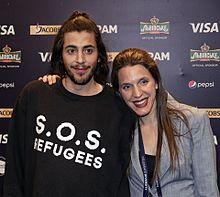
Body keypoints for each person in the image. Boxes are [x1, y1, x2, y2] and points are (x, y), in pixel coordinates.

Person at [3, 11, 135, 197]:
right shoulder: (35, 95)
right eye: (71, 50)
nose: (80, 60)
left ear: (99, 55)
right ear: (61, 55)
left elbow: (121, 180)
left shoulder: (119, 107)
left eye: (88, 50)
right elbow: (14, 172)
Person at [111, 48, 219, 197]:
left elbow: (208, 191)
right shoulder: (121, 127)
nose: (137, 94)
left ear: (156, 82)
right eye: (127, 87)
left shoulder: (193, 120)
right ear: (119, 92)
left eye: (143, 82)